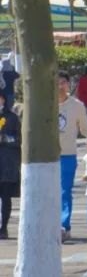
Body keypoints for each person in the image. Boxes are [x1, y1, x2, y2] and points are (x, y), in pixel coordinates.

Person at [58, 71, 87, 242]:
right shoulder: (44, 104)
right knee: (49, 192)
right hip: (46, 158)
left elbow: (86, 129)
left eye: (63, 82)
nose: (60, 86)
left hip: (67, 155)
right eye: (56, 83)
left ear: (69, 84)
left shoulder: (77, 106)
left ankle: (64, 226)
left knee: (64, 191)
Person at [0, 91, 20, 239]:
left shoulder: (12, 117)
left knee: (5, 197)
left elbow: (19, 139)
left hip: (7, 163)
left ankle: (3, 227)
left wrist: (5, 138)